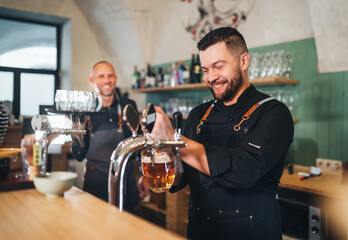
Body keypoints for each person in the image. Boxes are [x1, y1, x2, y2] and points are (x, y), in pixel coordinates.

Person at [151, 27, 294, 239]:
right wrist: (163, 153)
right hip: (201, 230)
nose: (212, 77)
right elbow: (181, 177)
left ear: (244, 61)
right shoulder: (199, 114)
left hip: (252, 232)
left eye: (218, 66)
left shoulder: (273, 112)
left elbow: (243, 170)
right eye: (206, 70)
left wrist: (175, 140)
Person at [71, 61, 149, 215]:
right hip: (95, 183)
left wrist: (145, 176)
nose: (107, 80)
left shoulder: (128, 105)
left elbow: (139, 143)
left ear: (116, 78)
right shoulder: (83, 110)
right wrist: (76, 128)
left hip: (125, 181)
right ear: (91, 81)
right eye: (101, 76)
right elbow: (78, 156)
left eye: (110, 75)